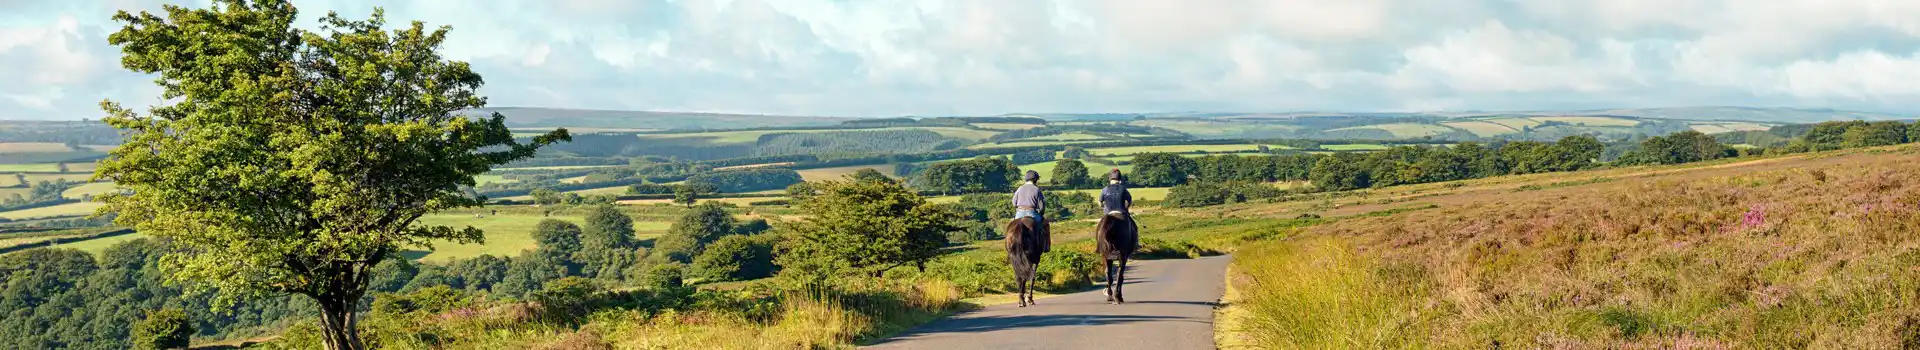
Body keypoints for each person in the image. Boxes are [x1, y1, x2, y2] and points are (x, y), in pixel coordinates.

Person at [1011, 170, 1049, 252]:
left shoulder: (1019, 188)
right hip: (1032, 213)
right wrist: (1041, 214)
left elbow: (1014, 203)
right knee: (1045, 224)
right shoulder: (1037, 189)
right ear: (1035, 180)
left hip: (1019, 213)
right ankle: (1046, 246)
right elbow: (1041, 206)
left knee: (1013, 228)